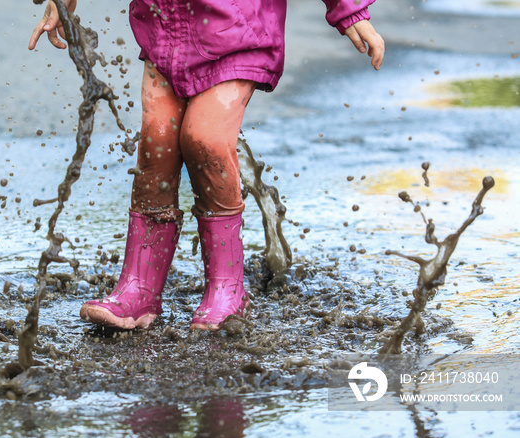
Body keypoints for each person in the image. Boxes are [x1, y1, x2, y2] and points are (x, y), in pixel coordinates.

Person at [29, 0, 385, 331]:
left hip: (238, 30)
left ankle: (227, 288)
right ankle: (139, 288)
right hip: (166, 29)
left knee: (205, 140)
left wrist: (349, 9)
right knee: (157, 143)